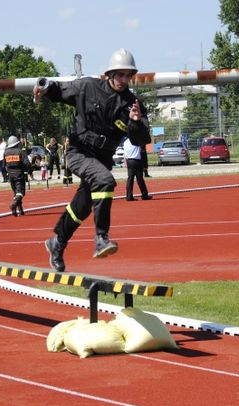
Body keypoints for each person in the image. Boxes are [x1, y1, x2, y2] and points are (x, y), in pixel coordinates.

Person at [34, 48, 151, 272]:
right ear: (109, 74)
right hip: (78, 152)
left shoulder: (132, 104)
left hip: (102, 159)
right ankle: (101, 238)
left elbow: (140, 139)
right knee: (105, 182)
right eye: (120, 74)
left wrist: (135, 121)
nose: (124, 80)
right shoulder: (88, 87)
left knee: (82, 206)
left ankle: (56, 243)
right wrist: (45, 87)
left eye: (129, 75)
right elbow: (60, 90)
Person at [4, 135, 30, 216]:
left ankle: (19, 210)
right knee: (20, 192)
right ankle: (14, 205)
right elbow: (26, 163)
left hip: (10, 175)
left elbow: (4, 165)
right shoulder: (21, 151)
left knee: (16, 192)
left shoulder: (6, 152)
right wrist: (28, 169)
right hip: (19, 174)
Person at [123, 137, 152, 201]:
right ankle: (144, 195)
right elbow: (143, 148)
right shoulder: (136, 140)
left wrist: (125, 161)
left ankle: (129, 196)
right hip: (136, 161)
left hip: (129, 161)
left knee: (130, 179)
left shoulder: (125, 142)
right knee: (140, 179)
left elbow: (125, 153)